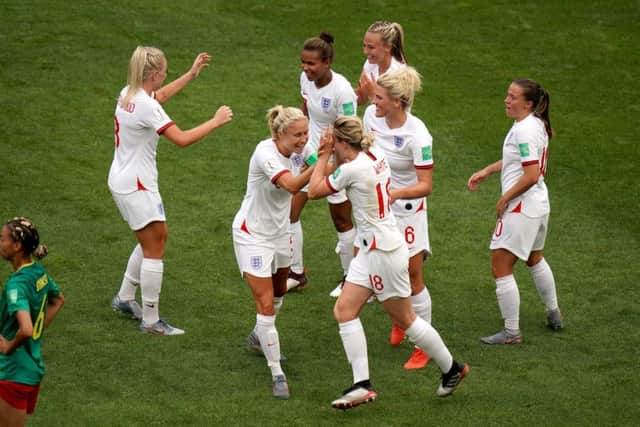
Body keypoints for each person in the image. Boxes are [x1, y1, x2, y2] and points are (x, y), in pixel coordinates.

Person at [308, 116, 467, 409]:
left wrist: (322, 156)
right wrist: (334, 153)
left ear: (343, 143)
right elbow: (341, 171)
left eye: (335, 143)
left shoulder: (354, 168)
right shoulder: (374, 153)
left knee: (406, 320)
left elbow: (314, 190)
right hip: (372, 250)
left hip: (383, 253)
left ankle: (452, 368)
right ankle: (361, 384)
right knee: (344, 310)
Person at [109, 46, 233, 335]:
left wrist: (190, 75)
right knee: (156, 245)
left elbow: (159, 97)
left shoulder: (129, 92)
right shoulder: (146, 105)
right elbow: (182, 139)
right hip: (138, 184)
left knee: (151, 238)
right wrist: (215, 121)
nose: (166, 76)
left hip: (123, 177)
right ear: (153, 74)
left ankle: (125, 298)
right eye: (164, 72)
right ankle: (151, 321)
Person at [467, 79, 563, 344]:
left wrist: (504, 198)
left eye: (512, 97)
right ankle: (553, 313)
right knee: (534, 258)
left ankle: (511, 332)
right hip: (538, 204)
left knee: (500, 264)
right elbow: (519, 161)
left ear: (528, 103)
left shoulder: (524, 130)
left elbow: (530, 175)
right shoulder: (533, 124)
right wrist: (487, 170)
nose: (506, 100)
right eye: (507, 95)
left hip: (522, 205)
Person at [232, 106, 314, 399]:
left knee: (279, 293)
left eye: (305, 133)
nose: (304, 139)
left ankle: (258, 336)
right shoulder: (264, 154)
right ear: (280, 134)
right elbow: (292, 185)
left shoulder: (303, 150)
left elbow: (317, 173)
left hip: (280, 233)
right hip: (252, 235)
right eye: (297, 135)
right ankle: (276, 372)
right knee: (265, 303)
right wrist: (323, 162)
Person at [363, 66, 434, 370]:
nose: (373, 102)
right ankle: (400, 320)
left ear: (398, 101)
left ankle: (425, 345)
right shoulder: (370, 117)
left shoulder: (418, 135)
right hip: (377, 209)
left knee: (412, 275)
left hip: (406, 212)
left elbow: (425, 185)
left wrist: (395, 193)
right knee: (383, 269)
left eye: (379, 98)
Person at [286, 32, 358, 296]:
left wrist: (332, 164)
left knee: (341, 220)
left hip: (336, 160)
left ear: (327, 62)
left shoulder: (342, 91)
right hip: (309, 157)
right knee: (290, 212)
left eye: (311, 64)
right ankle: (296, 273)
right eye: (303, 63)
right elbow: (305, 109)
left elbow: (351, 133)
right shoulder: (306, 79)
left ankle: (351, 279)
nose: (306, 68)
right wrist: (298, 139)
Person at [0, 217, 65, 425]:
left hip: (11, 373)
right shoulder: (38, 272)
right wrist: (39, 330)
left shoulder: (15, 287)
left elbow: (26, 329)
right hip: (29, 368)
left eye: (2, 239)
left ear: (17, 246)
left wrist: (10, 345)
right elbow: (58, 300)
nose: (0, 243)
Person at [356, 21, 407, 106]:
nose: (365, 52)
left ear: (388, 47)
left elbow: (394, 113)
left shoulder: (399, 74)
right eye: (364, 45)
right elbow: (361, 98)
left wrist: (373, 93)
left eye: (371, 47)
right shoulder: (370, 63)